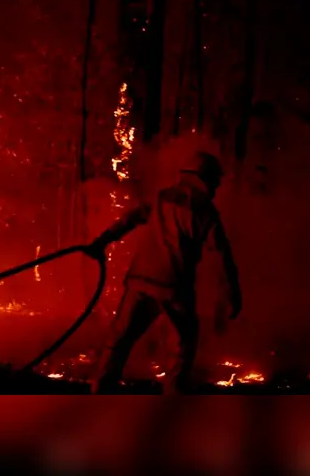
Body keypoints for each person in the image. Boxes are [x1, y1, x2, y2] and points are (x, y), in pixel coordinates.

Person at [86, 150, 242, 394]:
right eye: (215, 180)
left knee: (118, 342)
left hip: (140, 282)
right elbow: (222, 256)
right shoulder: (205, 212)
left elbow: (130, 219)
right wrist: (232, 294)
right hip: (174, 287)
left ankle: (100, 392)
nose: (217, 186)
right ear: (204, 178)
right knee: (183, 348)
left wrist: (102, 241)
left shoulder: (162, 198)